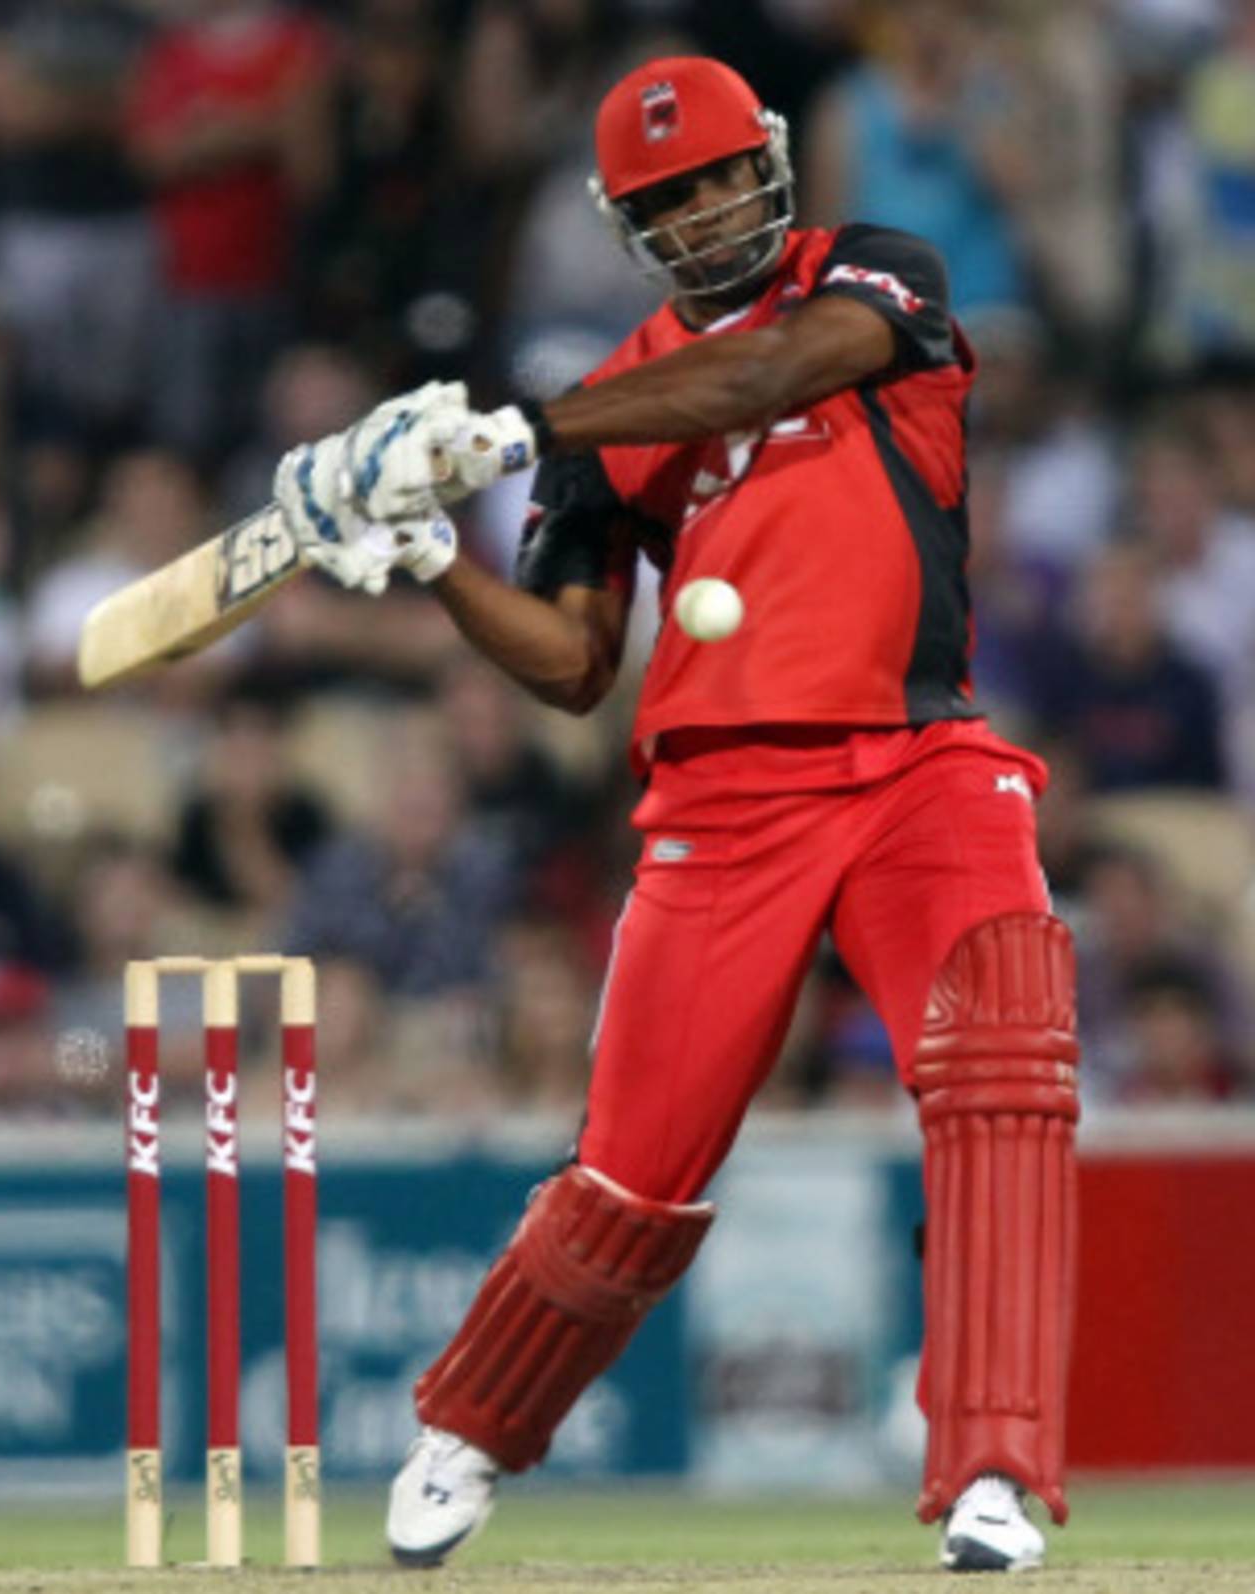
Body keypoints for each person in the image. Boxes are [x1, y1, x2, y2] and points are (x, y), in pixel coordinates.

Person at [272, 55, 1080, 1575]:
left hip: (920, 760)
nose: (705, 210)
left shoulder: (868, 275)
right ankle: (470, 1427)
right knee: (634, 1172)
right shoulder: (598, 424)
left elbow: (768, 370)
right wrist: (432, 560)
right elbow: (574, 664)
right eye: (667, 198)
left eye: (718, 176)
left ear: (767, 163)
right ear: (627, 221)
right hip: (720, 801)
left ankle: (990, 1470)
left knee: (1004, 1078)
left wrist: (518, 426)